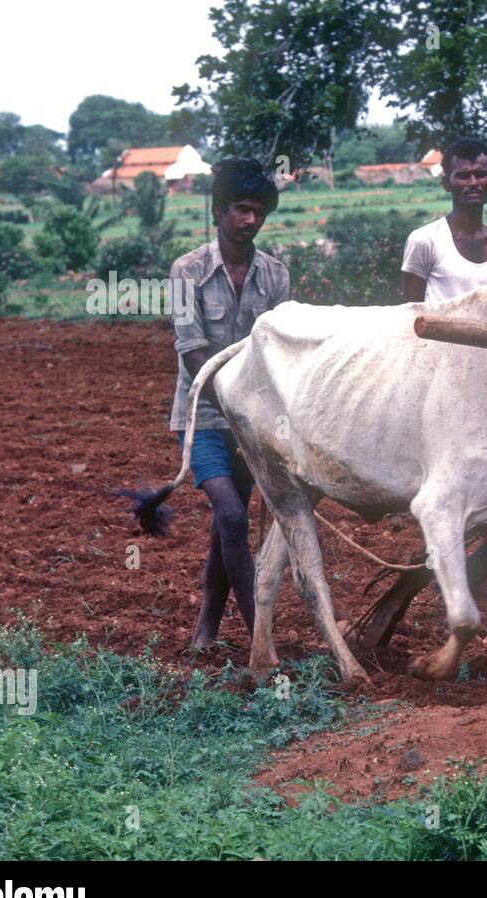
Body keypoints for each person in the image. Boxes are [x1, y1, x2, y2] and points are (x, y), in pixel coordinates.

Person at [168, 157, 289, 651]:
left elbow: (278, 351)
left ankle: (205, 632)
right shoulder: (185, 272)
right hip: (203, 418)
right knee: (234, 517)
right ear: (219, 210)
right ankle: (260, 633)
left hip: (253, 425)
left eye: (259, 211)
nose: (250, 220)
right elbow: (192, 351)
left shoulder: (276, 276)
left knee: (229, 522)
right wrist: (240, 404)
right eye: (241, 209)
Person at [400, 137, 487, 302]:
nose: (474, 183)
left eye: (480, 174)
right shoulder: (425, 240)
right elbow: (411, 312)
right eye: (463, 176)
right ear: (446, 183)